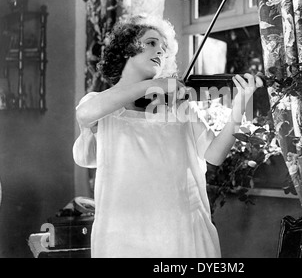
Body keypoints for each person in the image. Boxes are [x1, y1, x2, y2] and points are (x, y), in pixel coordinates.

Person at [72, 14, 263, 258]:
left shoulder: (176, 105)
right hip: (123, 232)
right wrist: (153, 86)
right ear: (125, 50)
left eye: (164, 48)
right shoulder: (99, 104)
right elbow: (86, 113)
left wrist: (241, 102)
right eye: (151, 43)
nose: (160, 51)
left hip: (179, 228)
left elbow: (215, 154)